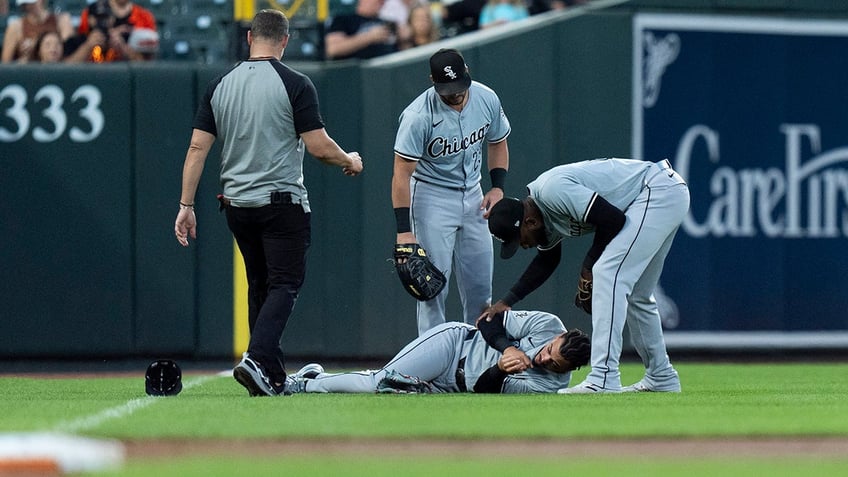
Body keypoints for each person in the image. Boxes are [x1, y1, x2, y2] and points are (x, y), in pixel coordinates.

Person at [173, 9, 364, 397]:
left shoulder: (219, 84)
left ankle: (271, 377)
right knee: (285, 283)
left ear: (249, 38)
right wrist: (349, 160)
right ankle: (257, 357)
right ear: (285, 40)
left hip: (237, 205)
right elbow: (318, 147)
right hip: (280, 202)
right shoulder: (294, 83)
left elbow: (197, 148)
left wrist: (186, 205)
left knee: (259, 283)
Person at [484, 157, 689, 394]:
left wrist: (588, 268)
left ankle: (604, 377)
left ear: (529, 222)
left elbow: (612, 220)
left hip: (656, 190)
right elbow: (547, 260)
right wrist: (506, 302)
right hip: (661, 193)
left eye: (519, 239)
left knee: (606, 273)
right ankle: (661, 376)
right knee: (637, 294)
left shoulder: (552, 191)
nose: (522, 246)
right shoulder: (541, 216)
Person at [392, 48, 511, 336]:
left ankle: (474, 363)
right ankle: (432, 369)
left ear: (467, 71)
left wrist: (497, 186)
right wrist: (403, 231)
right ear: (432, 80)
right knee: (432, 290)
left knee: (481, 290)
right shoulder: (417, 115)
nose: (455, 94)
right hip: (432, 198)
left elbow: (498, 141)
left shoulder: (486, 98)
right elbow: (401, 174)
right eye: (447, 89)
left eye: (459, 86)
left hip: (474, 194)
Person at [286, 309, 590, 394]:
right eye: (551, 350)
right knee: (379, 382)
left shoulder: (547, 386)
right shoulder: (548, 325)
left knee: (384, 390)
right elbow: (490, 319)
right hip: (453, 346)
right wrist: (508, 348)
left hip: (452, 387)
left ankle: (314, 379)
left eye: (555, 363)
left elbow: (484, 391)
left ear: (567, 371)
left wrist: (500, 368)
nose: (545, 358)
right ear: (559, 336)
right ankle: (305, 382)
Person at [72, 0, 157, 62]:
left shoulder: (145, 17)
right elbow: (77, 49)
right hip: (92, 68)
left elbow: (147, 62)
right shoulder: (93, 11)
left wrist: (123, 47)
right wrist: (90, 43)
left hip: (125, 70)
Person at [1, 0, 74, 63]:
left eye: (30, 3)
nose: (27, 6)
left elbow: (69, 51)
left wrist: (38, 45)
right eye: (25, 4)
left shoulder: (61, 20)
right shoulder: (16, 27)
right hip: (28, 74)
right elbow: (6, 63)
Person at [324, 0, 398, 60]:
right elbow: (333, 49)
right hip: (355, 73)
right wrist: (369, 37)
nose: (382, 3)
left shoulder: (387, 23)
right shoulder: (343, 20)